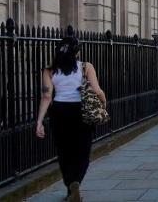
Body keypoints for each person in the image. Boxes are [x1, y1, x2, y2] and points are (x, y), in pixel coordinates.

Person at [35, 36, 106, 202]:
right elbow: (97, 90)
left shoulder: (49, 70)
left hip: (59, 112)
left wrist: (39, 121)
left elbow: (46, 96)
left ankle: (70, 187)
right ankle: (76, 183)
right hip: (81, 111)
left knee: (64, 151)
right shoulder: (85, 67)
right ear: (77, 53)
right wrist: (103, 103)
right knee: (82, 150)